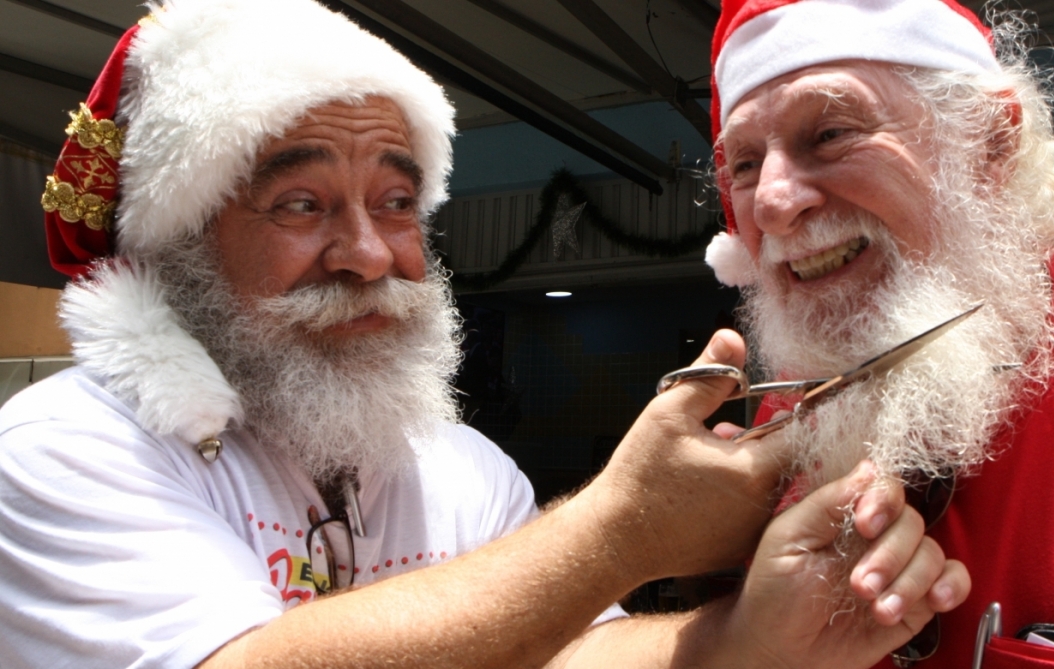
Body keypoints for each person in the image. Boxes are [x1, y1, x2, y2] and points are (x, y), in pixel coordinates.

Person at [0, 0, 970, 667]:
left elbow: (567, 651)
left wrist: (747, 640)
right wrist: (619, 531)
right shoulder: (63, 450)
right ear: (181, 250)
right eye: (301, 203)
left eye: (396, 202)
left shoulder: (451, 463)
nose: (370, 254)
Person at [703, 0, 1054, 666]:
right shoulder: (789, 415)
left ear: (989, 144)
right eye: (743, 165)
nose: (771, 202)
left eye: (830, 133)